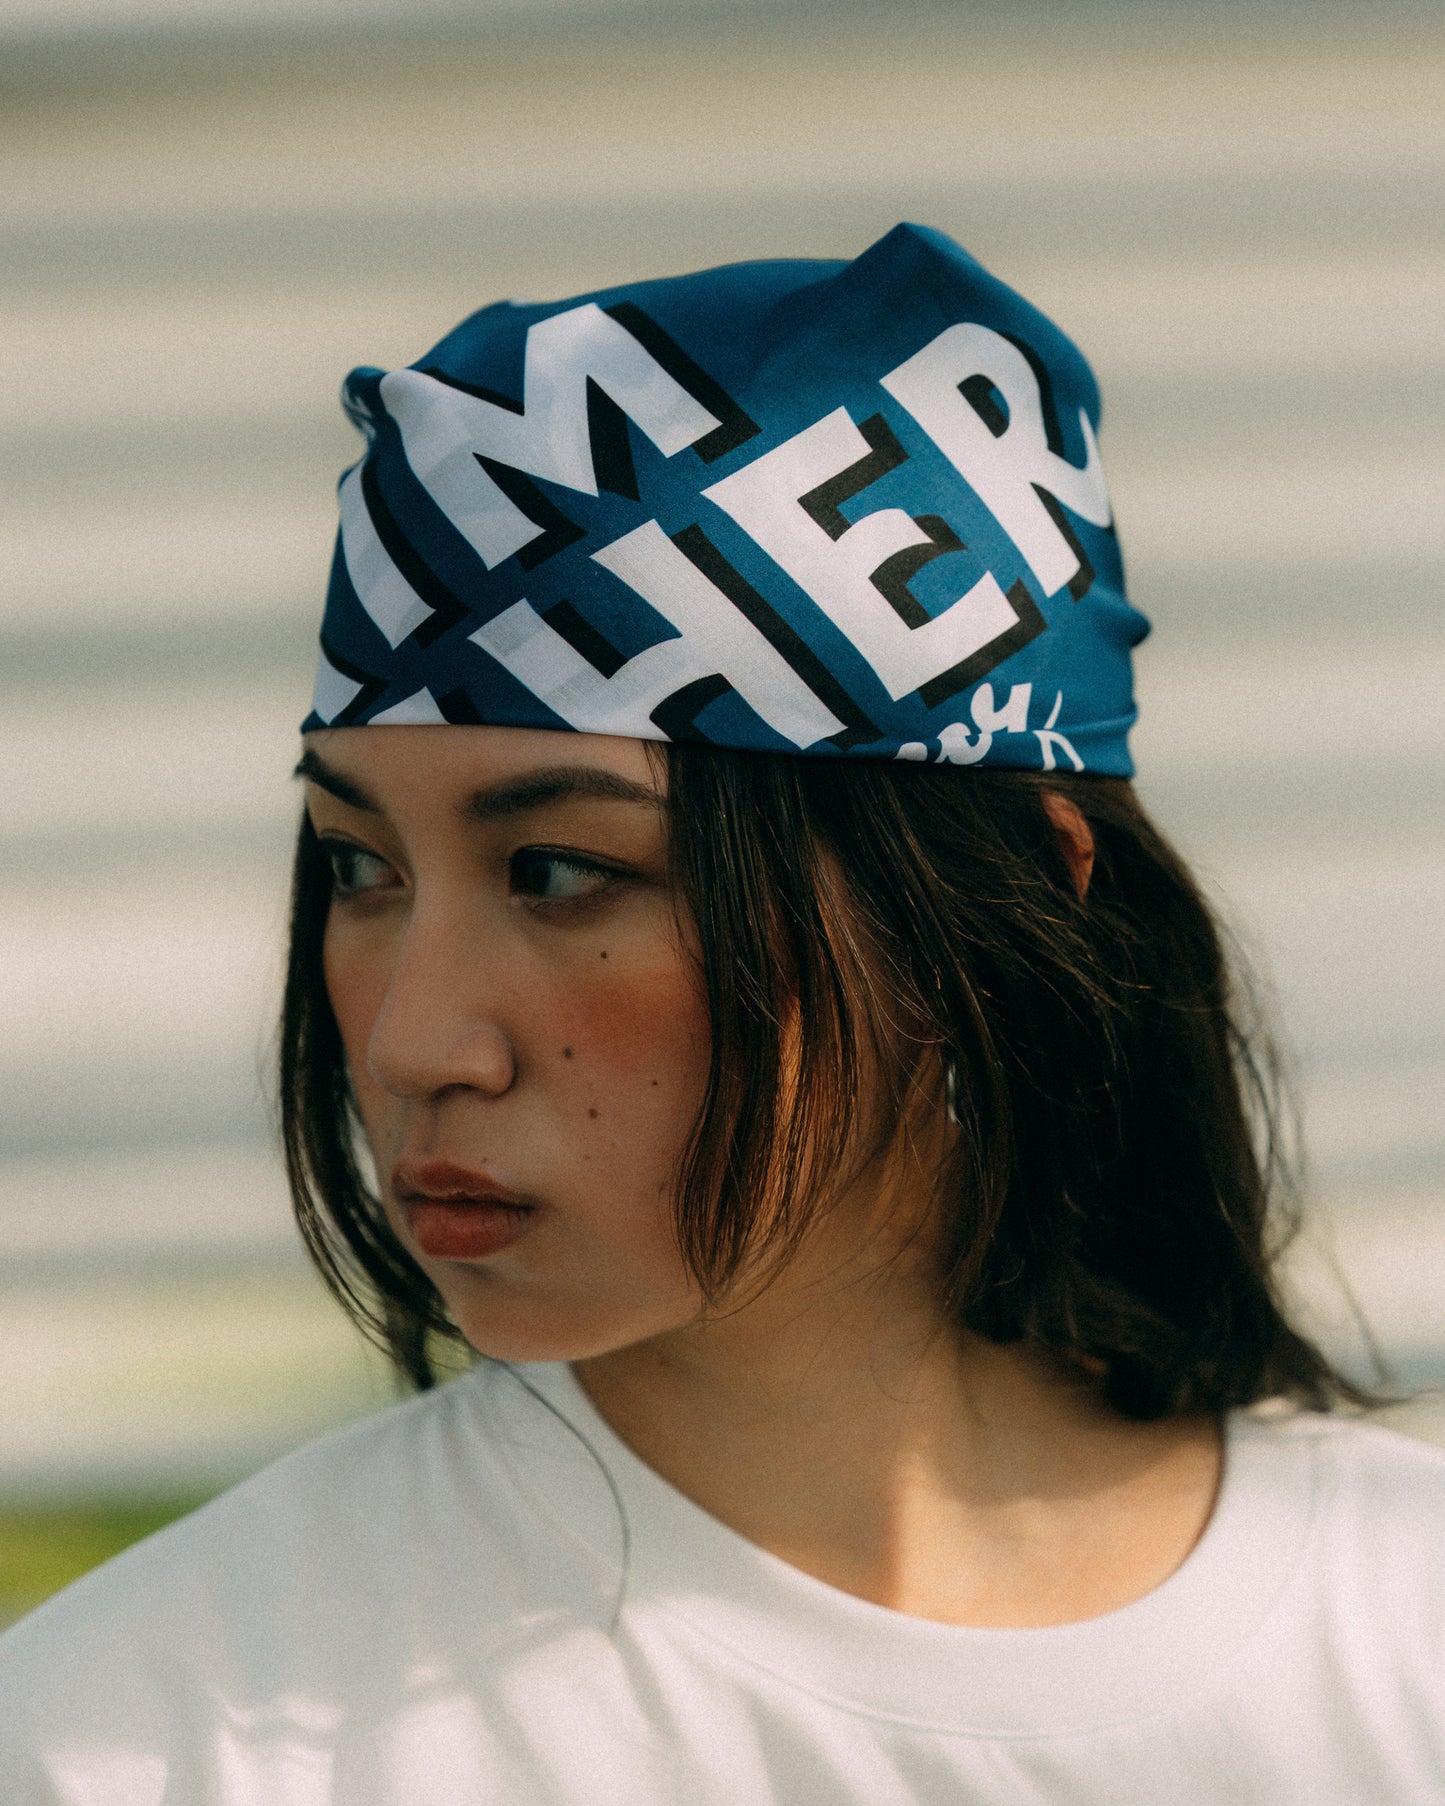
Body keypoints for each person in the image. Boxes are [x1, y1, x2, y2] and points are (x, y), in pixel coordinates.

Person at [1, 222, 1441, 1803]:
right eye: (360, 865)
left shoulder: (1397, 1646)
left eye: (561, 870)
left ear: (1008, 910)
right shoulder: (145, 1737)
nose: (412, 1041)